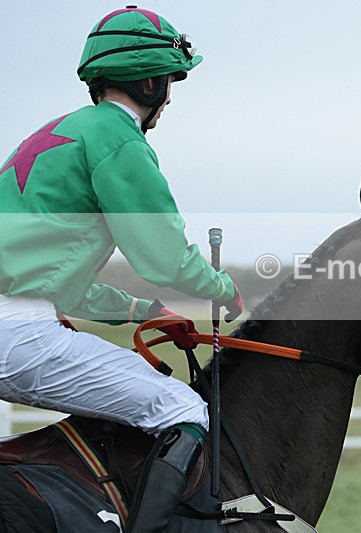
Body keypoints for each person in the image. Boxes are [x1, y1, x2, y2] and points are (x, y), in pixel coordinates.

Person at [0, 7, 242, 531]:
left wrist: (144, 310)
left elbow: (64, 286)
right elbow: (163, 257)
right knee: (181, 408)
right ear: (150, 80)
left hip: (16, 319)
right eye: (171, 81)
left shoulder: (57, 132)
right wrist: (222, 289)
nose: (171, 97)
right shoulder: (121, 140)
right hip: (16, 334)